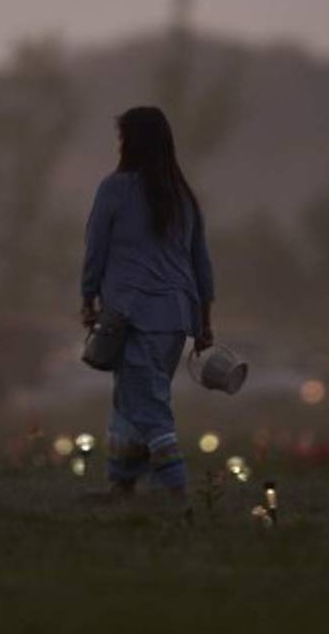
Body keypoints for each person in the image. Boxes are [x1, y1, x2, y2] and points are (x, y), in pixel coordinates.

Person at [81, 106, 215, 499]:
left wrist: (87, 297)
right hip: (176, 320)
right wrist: (205, 321)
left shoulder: (115, 189)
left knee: (149, 405)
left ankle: (176, 489)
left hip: (131, 315)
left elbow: (95, 250)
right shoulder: (183, 197)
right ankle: (121, 483)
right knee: (132, 397)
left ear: (131, 142)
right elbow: (201, 263)